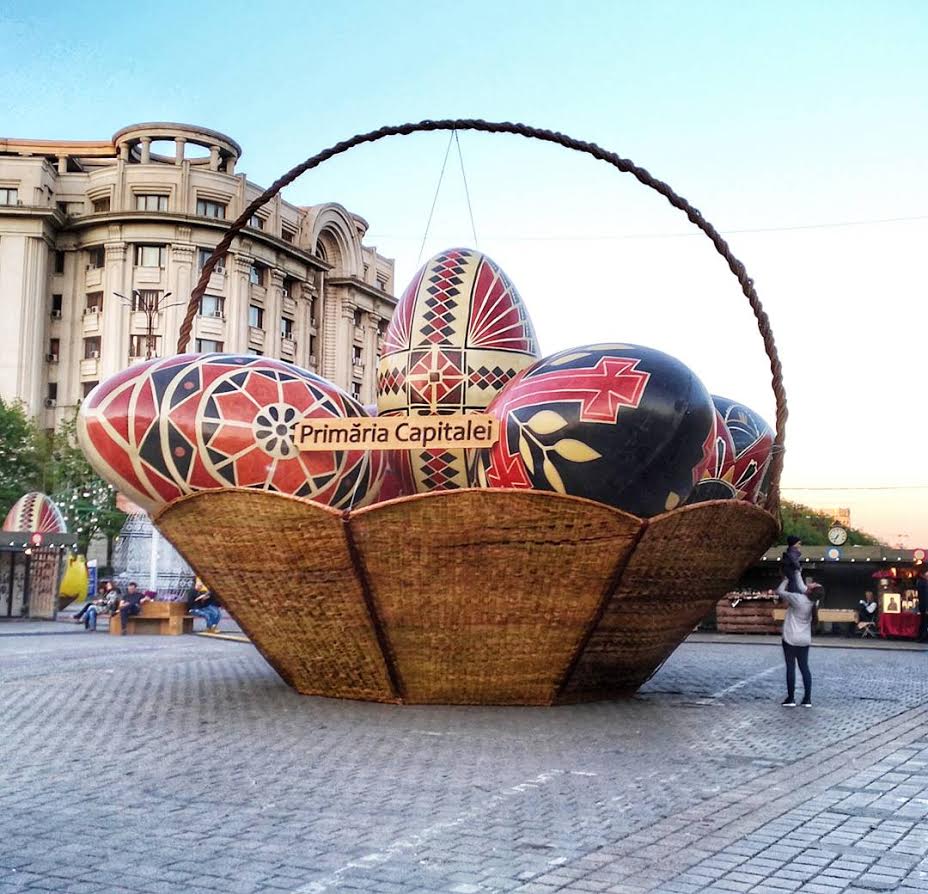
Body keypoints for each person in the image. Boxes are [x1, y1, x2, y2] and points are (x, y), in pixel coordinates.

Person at [776, 576, 822, 708]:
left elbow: (779, 591)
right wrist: (797, 573)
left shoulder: (798, 599)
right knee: (804, 668)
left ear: (810, 590)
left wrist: (785, 579)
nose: (811, 584)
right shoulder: (813, 601)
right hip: (804, 639)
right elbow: (803, 587)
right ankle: (807, 699)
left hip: (790, 637)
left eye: (813, 584)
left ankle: (791, 698)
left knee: (790, 667)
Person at [917, 570, 928, 642]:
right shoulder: (925, 584)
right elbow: (926, 596)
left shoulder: (920, 582)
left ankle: (921, 637)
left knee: (923, 621)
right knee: (925, 622)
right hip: (925, 606)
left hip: (923, 606)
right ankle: (923, 637)